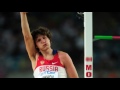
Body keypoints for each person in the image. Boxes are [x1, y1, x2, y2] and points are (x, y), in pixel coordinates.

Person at [20, 12, 79, 78]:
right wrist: (23, 14)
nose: (43, 41)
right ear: (36, 45)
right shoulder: (35, 57)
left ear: (49, 40)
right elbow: (27, 37)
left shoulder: (63, 56)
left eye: (44, 37)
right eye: (39, 40)